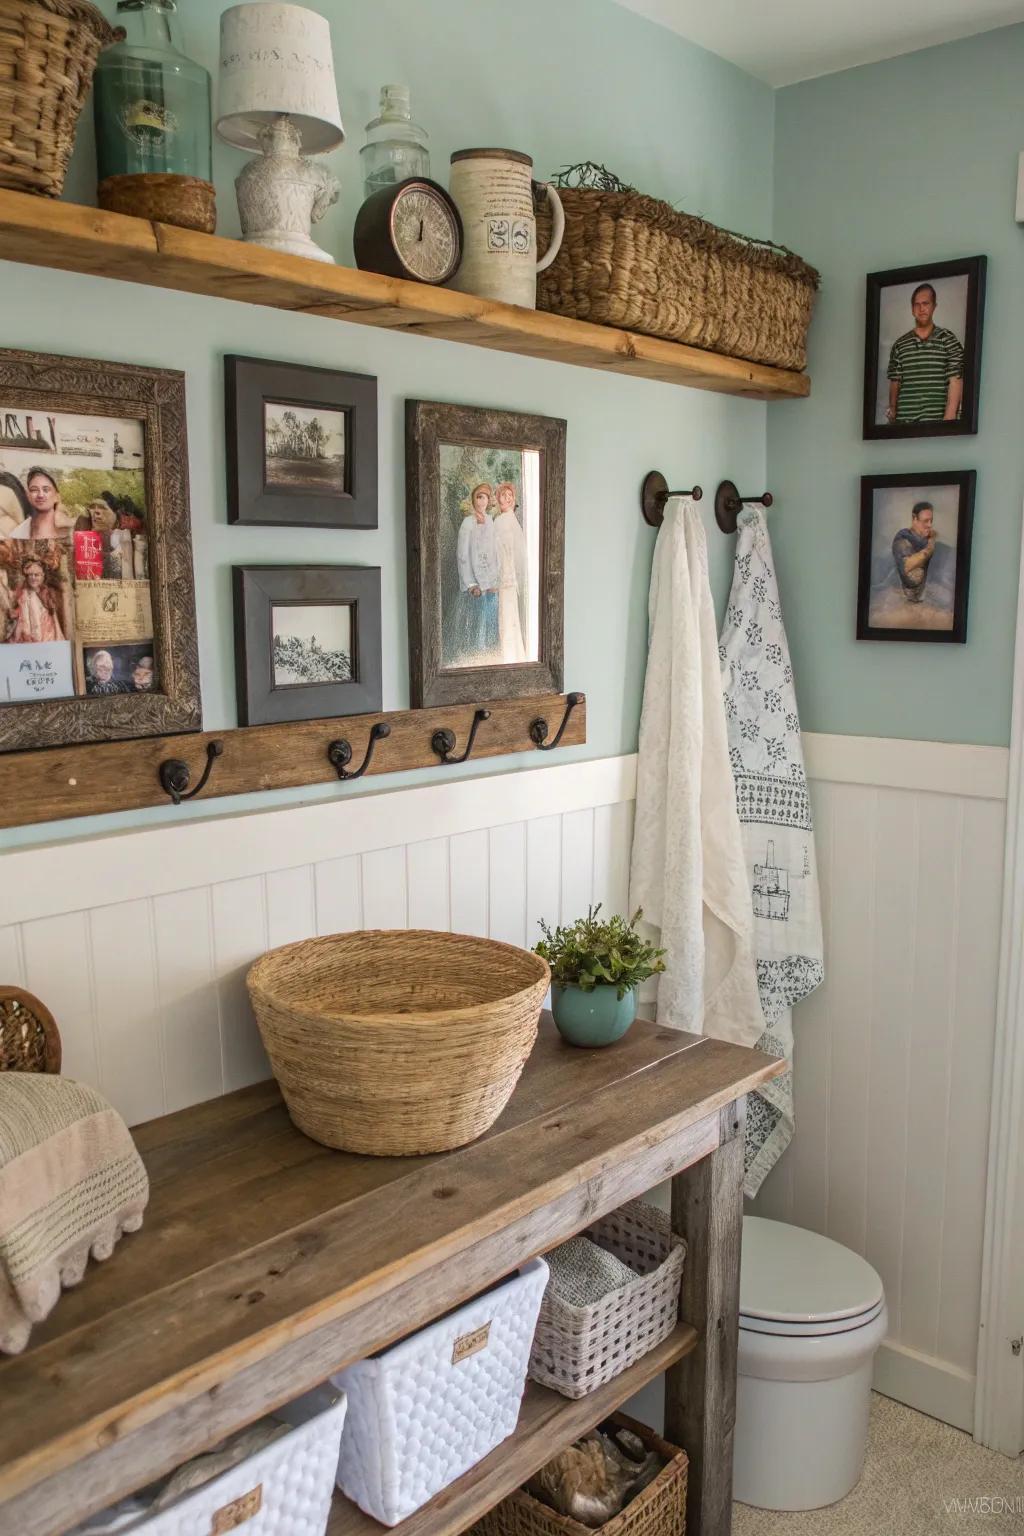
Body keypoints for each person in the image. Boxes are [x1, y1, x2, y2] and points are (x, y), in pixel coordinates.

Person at [886, 284, 965, 424]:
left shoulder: (948, 340)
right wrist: (893, 417)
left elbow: (956, 379)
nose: (921, 309)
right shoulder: (900, 345)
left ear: (934, 306)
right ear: (912, 309)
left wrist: (948, 421)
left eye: (926, 303)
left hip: (936, 424)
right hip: (904, 425)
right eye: (917, 305)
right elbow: (895, 382)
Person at [451, 484, 500, 664]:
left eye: (484, 497)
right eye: (478, 497)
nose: (481, 501)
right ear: (473, 500)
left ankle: (488, 656)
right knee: (473, 621)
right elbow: (462, 555)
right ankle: (471, 656)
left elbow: (495, 552)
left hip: (489, 582)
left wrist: (494, 580)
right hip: (474, 583)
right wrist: (471, 584)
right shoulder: (468, 523)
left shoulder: (490, 522)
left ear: (488, 500)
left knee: (489, 621)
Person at [492, 481, 529, 663]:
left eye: (510, 496)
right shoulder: (504, 520)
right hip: (506, 575)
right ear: (498, 498)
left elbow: (509, 550)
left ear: (513, 500)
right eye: (503, 495)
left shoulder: (505, 520)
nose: (507, 498)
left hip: (506, 575)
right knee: (507, 615)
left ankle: (510, 657)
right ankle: (512, 655)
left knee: (507, 616)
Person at [9, 467, 75, 541]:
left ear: (57, 496)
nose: (40, 495)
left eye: (46, 490)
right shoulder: (18, 534)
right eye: (34, 490)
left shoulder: (72, 531)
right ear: (28, 496)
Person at [8, 557, 65, 643]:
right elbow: (23, 615)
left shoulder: (47, 593)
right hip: (31, 633)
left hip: (48, 633)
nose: (33, 578)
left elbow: (53, 617)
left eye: (36, 575)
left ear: (43, 576)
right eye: (30, 575)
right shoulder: (24, 594)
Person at [892, 501, 937, 603]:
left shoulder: (925, 540)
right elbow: (907, 566)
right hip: (906, 598)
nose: (930, 525)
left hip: (925, 596)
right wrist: (931, 544)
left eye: (931, 521)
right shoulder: (902, 539)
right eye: (925, 521)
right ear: (914, 519)